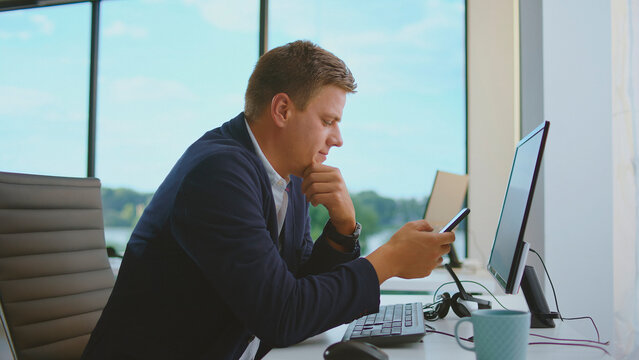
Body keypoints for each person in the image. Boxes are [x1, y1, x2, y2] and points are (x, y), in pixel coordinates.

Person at [82, 40, 454, 360]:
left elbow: (298, 288)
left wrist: (342, 231)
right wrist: (387, 260)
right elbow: (283, 315)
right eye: (327, 121)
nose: (337, 139)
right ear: (282, 110)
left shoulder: (290, 180)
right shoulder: (219, 173)